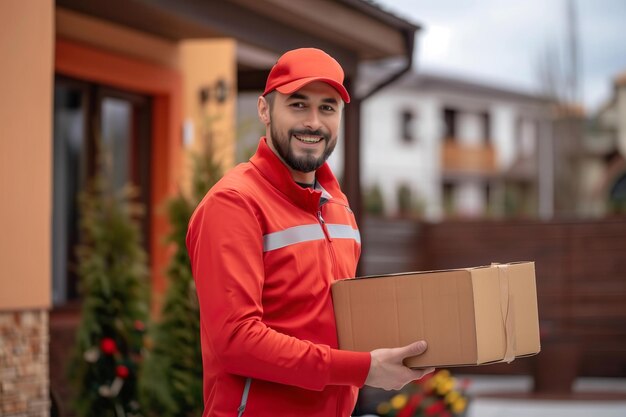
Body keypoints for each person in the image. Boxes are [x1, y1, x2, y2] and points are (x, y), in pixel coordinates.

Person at [186, 48, 433, 417]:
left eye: (327, 107)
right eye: (298, 105)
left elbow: (336, 322)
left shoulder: (338, 206)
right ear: (265, 110)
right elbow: (235, 341)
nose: (314, 122)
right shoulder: (234, 203)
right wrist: (363, 369)